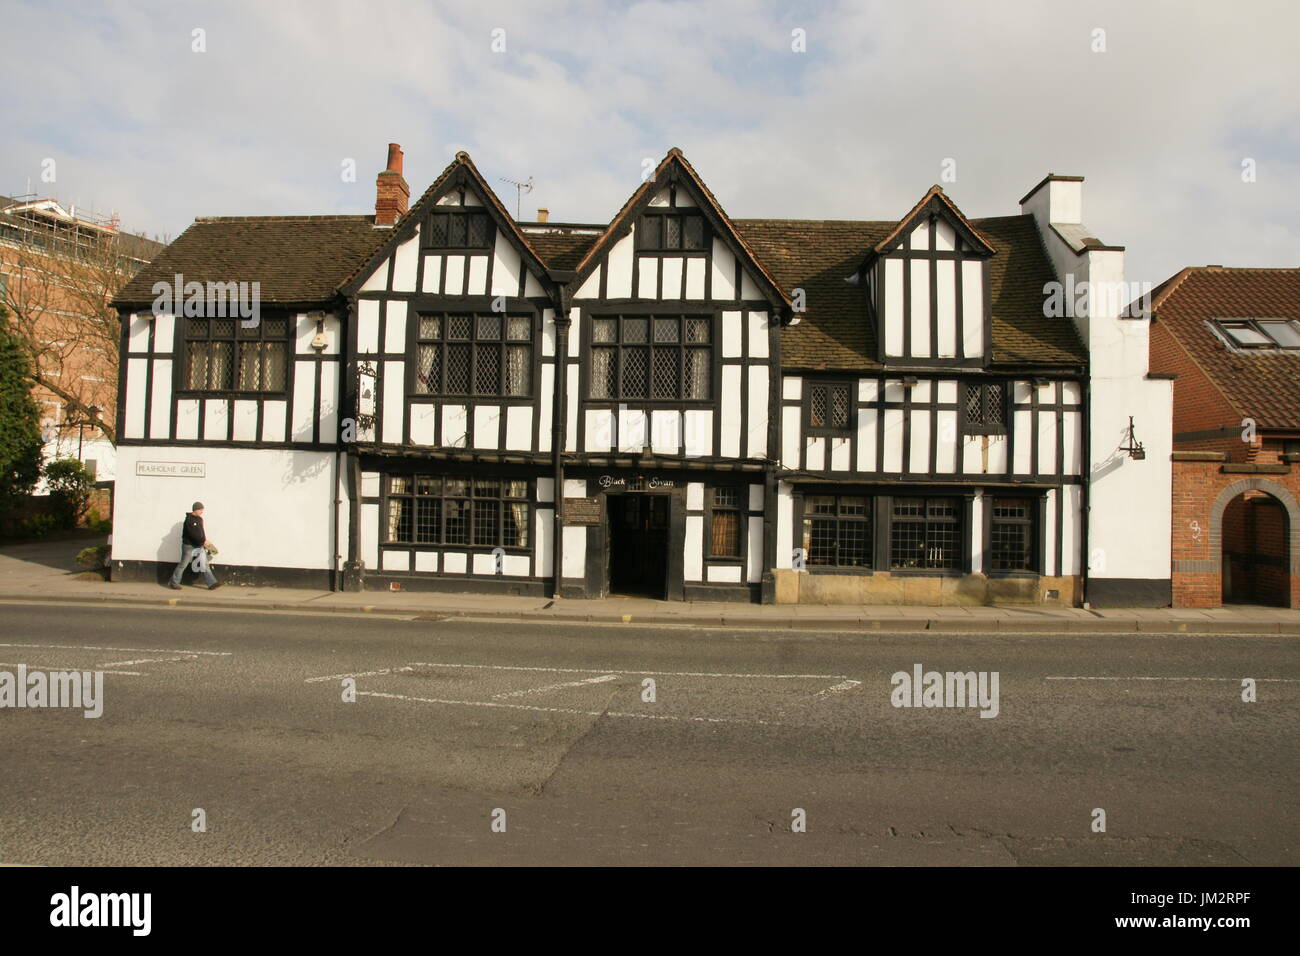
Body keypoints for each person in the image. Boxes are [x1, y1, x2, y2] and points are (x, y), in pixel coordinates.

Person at [169, 501, 220, 590]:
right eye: (200, 510)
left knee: (204, 564)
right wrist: (203, 541)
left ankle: (212, 583)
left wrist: (205, 541)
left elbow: (201, 532)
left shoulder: (200, 519)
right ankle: (174, 582)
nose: (202, 512)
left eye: (202, 510)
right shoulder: (189, 520)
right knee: (183, 564)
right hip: (189, 546)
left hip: (199, 545)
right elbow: (192, 534)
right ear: (195, 509)